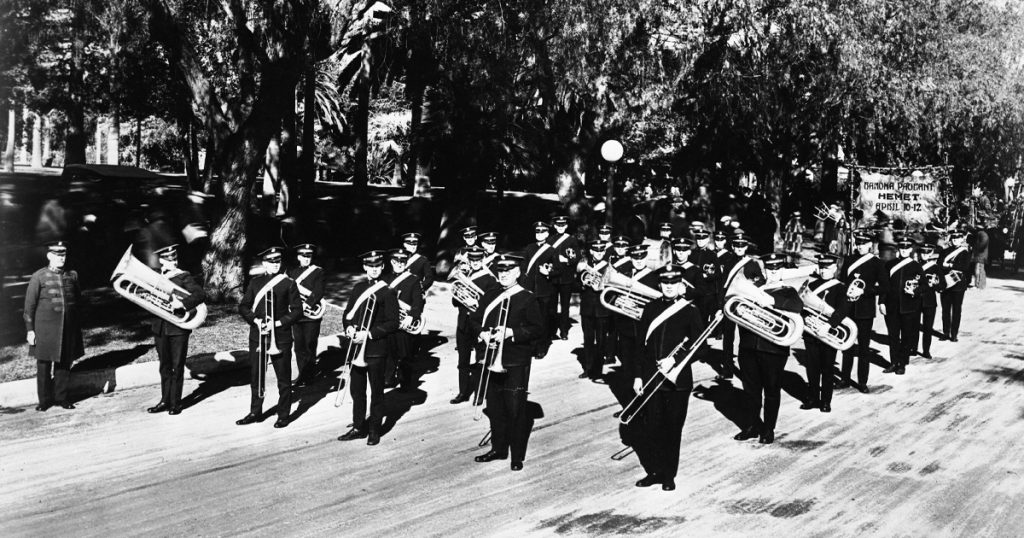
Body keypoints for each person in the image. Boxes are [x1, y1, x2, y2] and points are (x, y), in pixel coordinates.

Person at [630, 264, 704, 491]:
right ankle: (654, 471)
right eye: (665, 283)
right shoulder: (650, 309)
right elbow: (639, 346)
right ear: (660, 284)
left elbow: (701, 348)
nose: (669, 287)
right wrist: (637, 376)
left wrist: (676, 360)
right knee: (652, 427)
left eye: (674, 283)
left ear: (681, 285)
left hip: (677, 382)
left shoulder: (690, 311)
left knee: (672, 429)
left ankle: (668, 474)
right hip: (652, 379)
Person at [471, 255, 544, 471]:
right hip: (490, 358)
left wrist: (511, 332)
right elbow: (474, 320)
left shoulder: (527, 298)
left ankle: (517, 456)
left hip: (514, 361)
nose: (503, 274)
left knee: (515, 410)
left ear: (517, 272)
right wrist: (483, 333)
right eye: (500, 271)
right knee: (494, 408)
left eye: (508, 270)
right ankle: (499, 449)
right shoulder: (490, 295)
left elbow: (538, 329)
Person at [733, 253, 802, 445]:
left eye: (777, 268)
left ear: (782, 270)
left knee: (771, 391)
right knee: (750, 390)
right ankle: (752, 426)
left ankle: (768, 428)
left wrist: (771, 302)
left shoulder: (787, 290)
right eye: (770, 269)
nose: (773, 272)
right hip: (748, 347)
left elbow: (797, 305)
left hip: (773, 350)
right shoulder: (752, 288)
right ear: (765, 270)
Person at [338, 251, 400, 445]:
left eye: (377, 266)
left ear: (382, 267)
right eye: (370, 266)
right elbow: (348, 314)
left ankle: (374, 429)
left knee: (377, 392)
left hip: (375, 349)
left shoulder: (388, 291)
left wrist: (369, 333)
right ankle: (358, 427)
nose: (373, 269)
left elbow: (393, 323)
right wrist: (348, 327)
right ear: (365, 267)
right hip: (357, 348)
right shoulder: (357, 288)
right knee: (357, 391)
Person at [237, 247, 303, 428]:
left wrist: (278, 324)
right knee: (256, 377)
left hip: (280, 338)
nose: (275, 265)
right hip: (258, 337)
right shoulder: (255, 283)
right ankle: (255, 412)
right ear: (264, 263)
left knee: (284, 378)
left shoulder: (288, 283)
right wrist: (256, 321)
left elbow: (298, 311)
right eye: (271, 261)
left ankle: (283, 415)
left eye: (277, 261)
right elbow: (244, 307)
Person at [24, 241, 84, 411]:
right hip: (44, 330)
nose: (61, 259)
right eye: (57, 255)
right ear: (49, 256)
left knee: (64, 363)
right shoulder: (39, 276)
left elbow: (78, 301)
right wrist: (30, 330)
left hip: (68, 328)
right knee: (43, 365)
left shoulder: (72, 275)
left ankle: (61, 398)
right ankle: (44, 401)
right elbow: (29, 306)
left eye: (63, 255)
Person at [147, 245, 206, 415]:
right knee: (164, 366)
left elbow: (200, 294)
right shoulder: (155, 276)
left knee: (176, 367)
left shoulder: (183, 276)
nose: (173, 261)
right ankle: (164, 400)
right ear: (162, 261)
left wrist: (183, 303)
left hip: (178, 328)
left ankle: (175, 403)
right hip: (160, 328)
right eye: (169, 259)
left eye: (174, 258)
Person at [606, 244, 659, 409]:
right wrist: (618, 301)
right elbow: (611, 295)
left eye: (641, 257)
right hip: (626, 328)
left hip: (645, 328)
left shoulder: (654, 277)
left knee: (644, 366)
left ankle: (646, 404)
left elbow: (658, 303)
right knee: (628, 367)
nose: (638, 261)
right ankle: (630, 405)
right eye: (635, 257)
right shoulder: (623, 274)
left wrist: (640, 308)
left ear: (646, 257)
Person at [799, 254, 849, 413]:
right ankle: (813, 398)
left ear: (835, 268)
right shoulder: (811, 286)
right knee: (812, 368)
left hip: (828, 333)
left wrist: (829, 325)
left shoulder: (840, 287)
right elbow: (803, 308)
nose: (823, 270)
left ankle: (826, 401)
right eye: (821, 267)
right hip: (811, 333)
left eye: (827, 267)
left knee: (827, 369)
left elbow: (843, 310)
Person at [838, 231, 887, 392]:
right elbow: (842, 282)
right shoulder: (849, 260)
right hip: (848, 308)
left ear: (870, 245)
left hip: (865, 310)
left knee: (864, 347)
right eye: (858, 243)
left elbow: (884, 287)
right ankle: (845, 379)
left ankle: (862, 382)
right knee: (847, 345)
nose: (860, 246)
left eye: (863, 244)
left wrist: (864, 292)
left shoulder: (877, 263)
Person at [450, 247, 499, 403]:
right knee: (462, 360)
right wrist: (463, 299)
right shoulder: (464, 276)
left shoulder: (490, 279)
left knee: (480, 360)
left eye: (478, 260)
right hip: (463, 323)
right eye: (473, 260)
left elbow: (492, 303)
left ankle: (479, 393)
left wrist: (477, 302)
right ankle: (463, 392)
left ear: (482, 260)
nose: (475, 263)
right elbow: (454, 300)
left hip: (479, 324)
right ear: (469, 261)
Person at [716, 232, 764, 380]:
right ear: (732, 246)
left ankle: (746, 371)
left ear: (746, 247)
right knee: (728, 338)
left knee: (745, 339)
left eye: (742, 246)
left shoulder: (752, 263)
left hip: (744, 305)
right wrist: (719, 307)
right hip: (729, 304)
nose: (739, 248)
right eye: (736, 245)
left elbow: (761, 281)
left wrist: (749, 287)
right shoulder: (729, 261)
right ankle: (728, 369)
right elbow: (723, 286)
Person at [383, 249, 425, 390]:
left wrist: (412, 316)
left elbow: (418, 303)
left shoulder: (413, 280)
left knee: (404, 353)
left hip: (404, 322)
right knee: (389, 351)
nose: (399, 264)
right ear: (391, 262)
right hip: (388, 322)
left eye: (403, 261)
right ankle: (388, 379)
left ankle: (405, 381)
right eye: (396, 261)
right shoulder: (385, 279)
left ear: (406, 262)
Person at [880, 237, 923, 376]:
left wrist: (915, 291)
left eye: (907, 248)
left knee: (906, 336)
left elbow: (924, 287)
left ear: (910, 250)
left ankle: (902, 363)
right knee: (892, 336)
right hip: (891, 306)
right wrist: (881, 302)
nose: (904, 251)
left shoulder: (915, 266)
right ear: (898, 249)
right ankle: (893, 362)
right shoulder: (889, 265)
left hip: (908, 307)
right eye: (901, 248)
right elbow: (884, 285)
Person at [288, 243, 325, 387]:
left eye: (309, 256)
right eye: (303, 256)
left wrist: (306, 305)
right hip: (297, 316)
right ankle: (301, 375)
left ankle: (308, 376)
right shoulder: (291, 272)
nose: (306, 259)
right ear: (298, 257)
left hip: (311, 316)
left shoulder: (318, 272)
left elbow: (319, 291)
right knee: (298, 347)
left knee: (310, 345)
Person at [519, 221, 557, 357]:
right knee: (529, 319)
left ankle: (541, 347)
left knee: (543, 319)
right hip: (529, 290)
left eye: (542, 232)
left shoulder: (551, 250)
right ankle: (531, 346)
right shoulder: (529, 248)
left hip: (544, 291)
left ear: (547, 234)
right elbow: (523, 267)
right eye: (537, 232)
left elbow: (557, 269)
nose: (539, 234)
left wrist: (549, 273)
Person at [577, 240, 612, 381]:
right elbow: (575, 284)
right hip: (587, 309)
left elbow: (613, 287)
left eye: (601, 250)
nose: (599, 253)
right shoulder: (584, 266)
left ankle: (598, 370)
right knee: (588, 340)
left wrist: (603, 287)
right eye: (596, 250)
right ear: (591, 251)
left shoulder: (609, 267)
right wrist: (584, 284)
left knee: (601, 341)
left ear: (604, 252)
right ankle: (588, 368)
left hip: (602, 309)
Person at [548, 215, 580, 340]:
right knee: (552, 306)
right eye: (558, 225)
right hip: (553, 278)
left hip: (566, 277)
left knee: (565, 306)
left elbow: (577, 257)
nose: (560, 227)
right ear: (555, 226)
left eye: (563, 225)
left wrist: (567, 260)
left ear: (566, 226)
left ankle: (564, 331)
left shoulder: (571, 240)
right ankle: (552, 330)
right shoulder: (550, 240)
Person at [939, 229, 971, 342]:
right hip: (946, 284)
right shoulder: (944, 251)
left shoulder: (965, 252)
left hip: (958, 284)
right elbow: (939, 265)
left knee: (956, 310)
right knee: (945, 310)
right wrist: (952, 265)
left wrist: (947, 265)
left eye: (957, 238)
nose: (955, 240)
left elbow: (965, 267)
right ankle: (945, 332)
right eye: (953, 238)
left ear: (962, 239)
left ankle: (954, 334)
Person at [917, 243, 944, 359]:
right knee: (913, 326)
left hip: (929, 301)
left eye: (927, 252)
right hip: (915, 300)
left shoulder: (935, 267)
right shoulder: (914, 265)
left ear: (932, 253)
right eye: (922, 252)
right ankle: (913, 348)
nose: (924, 255)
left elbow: (943, 284)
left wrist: (935, 285)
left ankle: (926, 350)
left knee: (928, 328)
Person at [690, 228, 718, 323]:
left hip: (706, 292)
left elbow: (716, 274)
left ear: (707, 240)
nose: (700, 241)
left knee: (702, 318)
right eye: (698, 239)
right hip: (692, 290)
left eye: (703, 239)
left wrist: (704, 277)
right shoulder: (691, 254)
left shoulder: (712, 255)